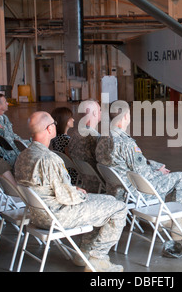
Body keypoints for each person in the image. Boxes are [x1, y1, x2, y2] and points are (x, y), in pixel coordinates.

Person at [15, 111, 127, 272]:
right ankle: (98, 259)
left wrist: (73, 189)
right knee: (119, 208)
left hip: (37, 215)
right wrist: (81, 193)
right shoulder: (49, 159)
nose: (55, 126)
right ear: (49, 129)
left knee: (106, 202)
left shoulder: (23, 155)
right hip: (58, 215)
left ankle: (84, 254)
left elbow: (46, 187)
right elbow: (66, 197)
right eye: (53, 123)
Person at [96, 105, 182, 241]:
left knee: (162, 174)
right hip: (134, 191)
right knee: (180, 178)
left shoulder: (103, 138)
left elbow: (130, 163)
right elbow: (145, 176)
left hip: (116, 188)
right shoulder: (126, 143)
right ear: (126, 116)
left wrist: (155, 167)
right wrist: (160, 173)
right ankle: (178, 227)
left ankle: (166, 221)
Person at [0, 93, 30, 165]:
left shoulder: (3, 117)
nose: (7, 103)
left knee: (32, 143)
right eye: (5, 102)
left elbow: (11, 134)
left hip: (7, 147)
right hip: (5, 152)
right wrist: (25, 145)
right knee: (33, 150)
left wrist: (24, 141)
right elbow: (7, 142)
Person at [68, 99, 102, 193]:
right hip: (98, 183)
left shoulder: (75, 134)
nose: (101, 112)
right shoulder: (94, 137)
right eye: (100, 110)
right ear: (95, 113)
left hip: (84, 180)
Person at [50, 107, 78, 185]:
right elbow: (72, 160)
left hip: (63, 173)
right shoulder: (67, 140)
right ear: (65, 121)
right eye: (71, 118)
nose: (73, 120)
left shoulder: (55, 138)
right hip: (72, 175)